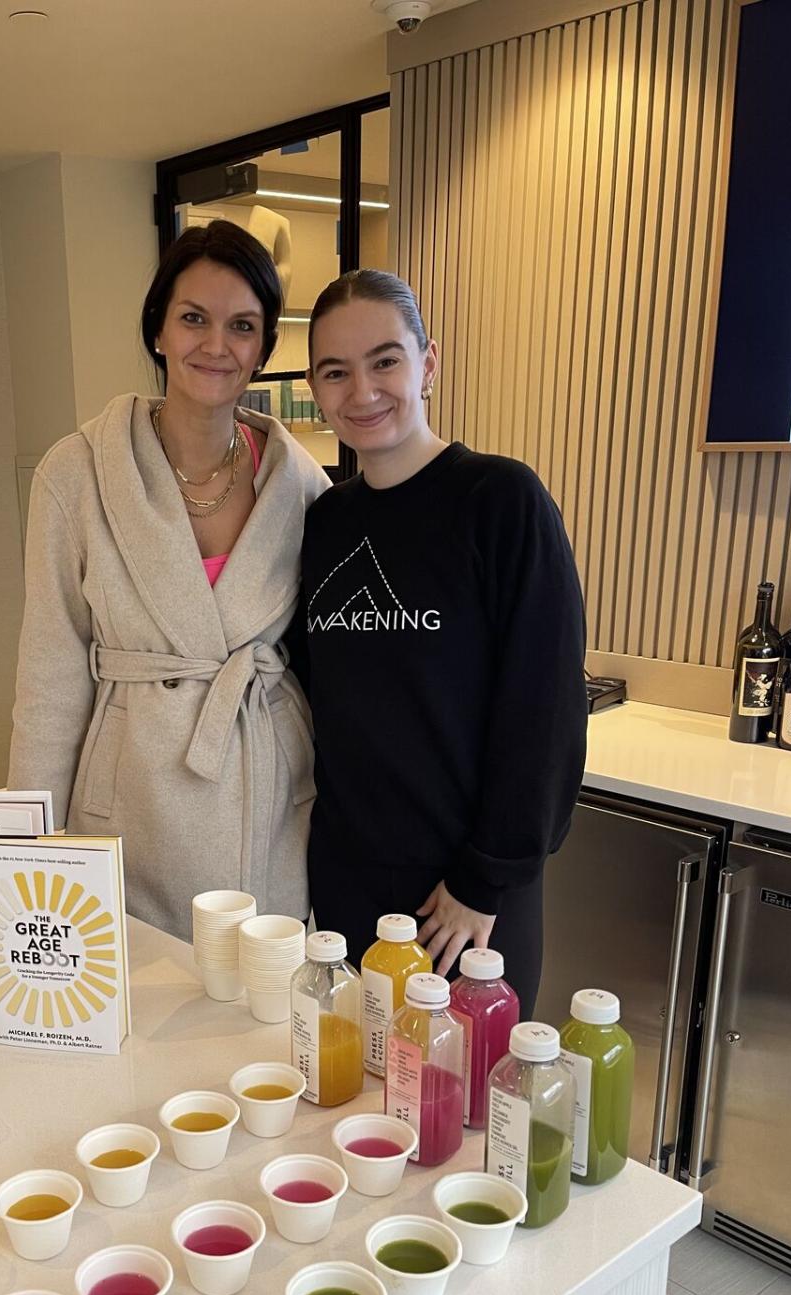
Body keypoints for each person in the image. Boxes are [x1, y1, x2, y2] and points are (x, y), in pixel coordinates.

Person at [7, 221, 329, 940]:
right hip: (134, 800)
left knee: (257, 1020)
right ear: (158, 330)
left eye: (242, 326)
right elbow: (51, 676)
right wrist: (28, 853)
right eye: (194, 319)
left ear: (264, 348)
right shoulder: (76, 473)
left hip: (268, 800)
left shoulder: (298, 482)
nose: (216, 346)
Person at [290, 269, 587, 1015]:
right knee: (354, 1106)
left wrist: (482, 880)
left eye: (385, 360)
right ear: (316, 389)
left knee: (463, 1117)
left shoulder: (500, 501)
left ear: (428, 363)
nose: (362, 391)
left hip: (462, 899)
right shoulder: (325, 524)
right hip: (348, 886)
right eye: (336, 371)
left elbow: (545, 711)